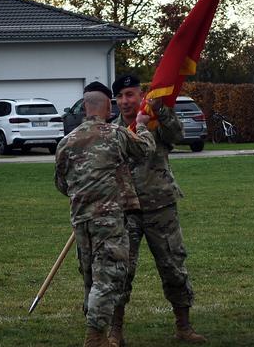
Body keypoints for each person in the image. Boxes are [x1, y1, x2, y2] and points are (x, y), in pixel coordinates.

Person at [55, 82, 155, 347]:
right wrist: (143, 124)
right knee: (107, 277)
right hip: (109, 220)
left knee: (89, 276)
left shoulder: (66, 142)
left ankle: (96, 331)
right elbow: (145, 150)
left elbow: (61, 184)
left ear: (85, 107)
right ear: (108, 107)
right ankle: (95, 337)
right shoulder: (116, 134)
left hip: (80, 220)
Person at [111, 75, 206, 344]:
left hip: (160, 206)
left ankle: (184, 326)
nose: (125, 101)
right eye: (120, 96)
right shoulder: (113, 130)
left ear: (141, 95)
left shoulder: (154, 122)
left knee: (173, 266)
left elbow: (178, 135)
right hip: (126, 211)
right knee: (121, 271)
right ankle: (115, 330)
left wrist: (162, 108)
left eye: (130, 94)